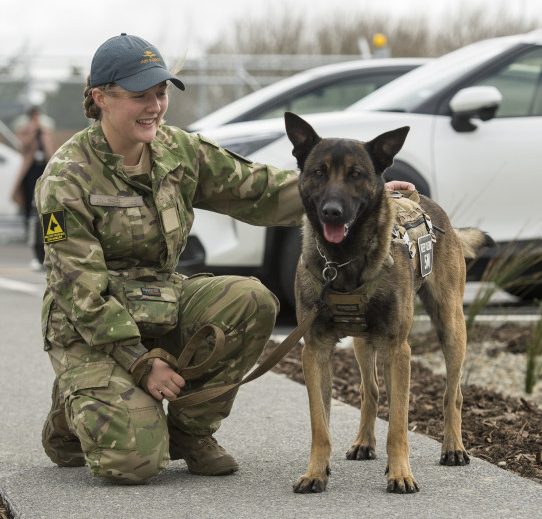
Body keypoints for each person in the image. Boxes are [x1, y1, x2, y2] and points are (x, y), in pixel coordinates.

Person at [36, 33, 414, 485]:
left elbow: (258, 188)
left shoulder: (178, 150)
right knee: (134, 464)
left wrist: (362, 192)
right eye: (140, 96)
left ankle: (190, 431)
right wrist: (139, 362)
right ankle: (71, 411)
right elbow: (80, 292)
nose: (155, 106)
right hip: (91, 328)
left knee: (252, 300)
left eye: (161, 93)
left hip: (158, 301)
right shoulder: (66, 178)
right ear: (100, 98)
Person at [12, 106, 56, 267]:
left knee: (46, 200)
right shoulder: (24, 129)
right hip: (30, 168)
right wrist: (31, 131)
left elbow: (50, 148)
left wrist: (42, 132)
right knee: (30, 200)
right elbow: (22, 146)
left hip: (43, 166)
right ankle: (29, 231)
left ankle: (45, 237)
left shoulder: (46, 129)